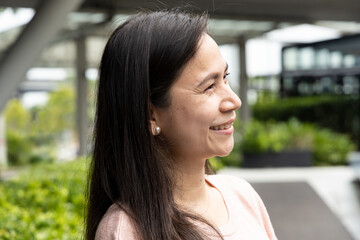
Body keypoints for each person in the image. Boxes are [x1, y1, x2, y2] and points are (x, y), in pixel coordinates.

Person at [85, 8, 277, 240]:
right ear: (150, 113)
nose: (234, 101)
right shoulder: (126, 230)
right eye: (209, 86)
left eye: (225, 78)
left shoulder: (241, 195)